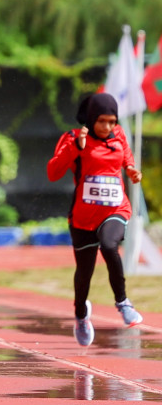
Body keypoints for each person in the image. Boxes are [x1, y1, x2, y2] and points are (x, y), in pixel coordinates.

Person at [47, 92, 144, 346]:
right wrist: (74, 148)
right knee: (84, 273)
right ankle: (81, 315)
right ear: (91, 119)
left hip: (115, 210)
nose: (108, 127)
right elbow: (53, 173)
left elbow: (127, 160)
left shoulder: (119, 135)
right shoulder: (72, 138)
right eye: (102, 121)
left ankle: (123, 302)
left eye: (112, 121)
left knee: (110, 246)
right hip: (83, 217)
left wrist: (132, 171)